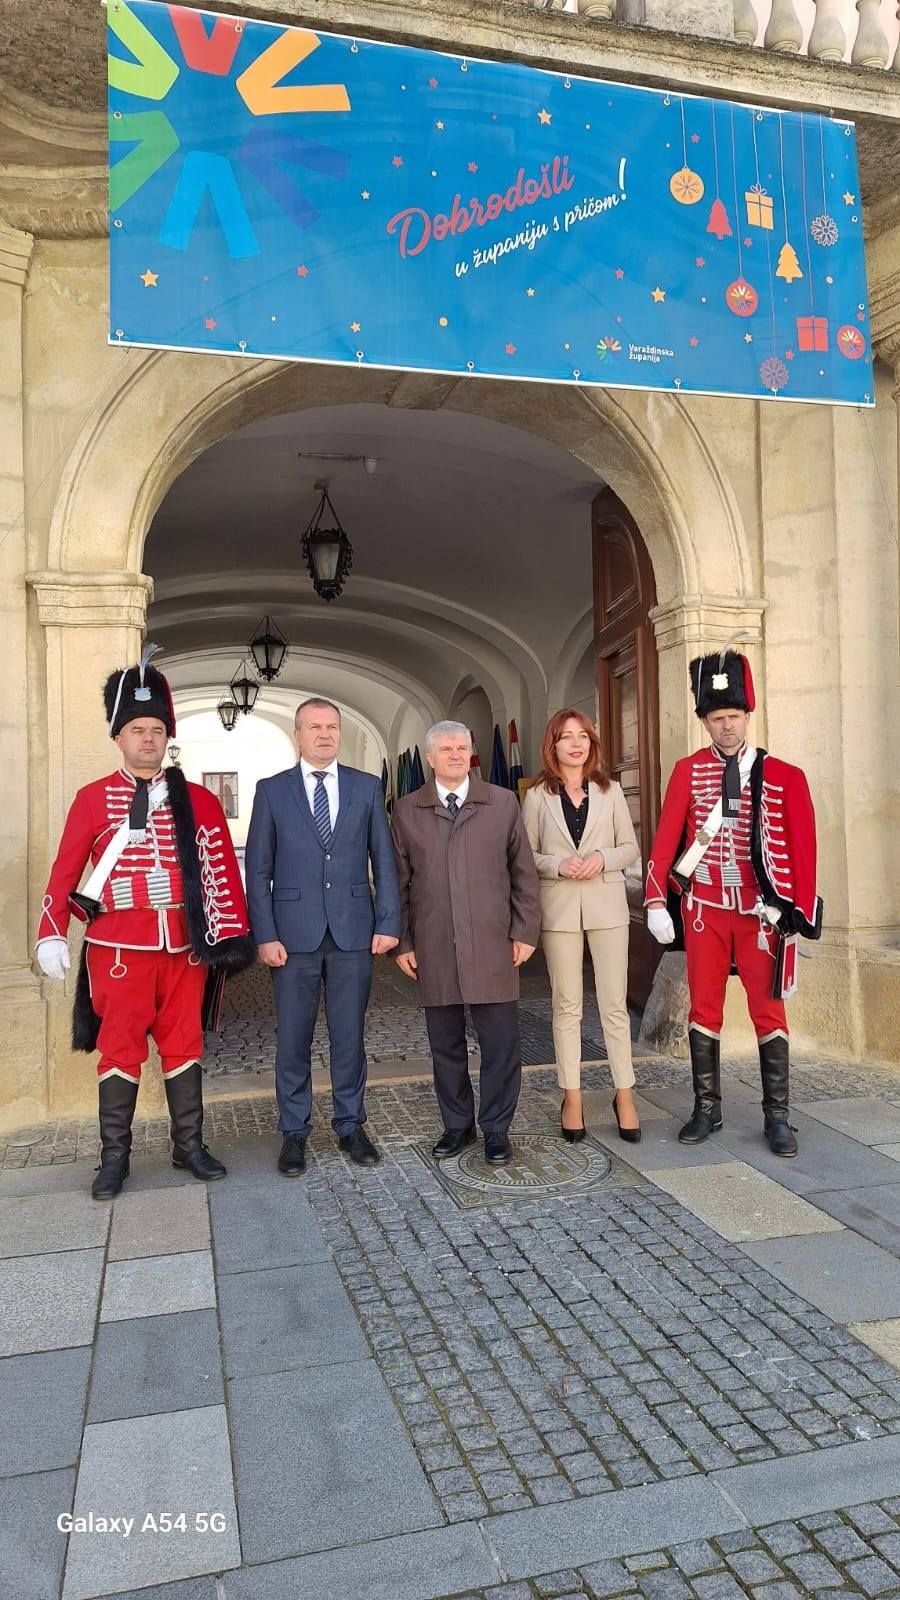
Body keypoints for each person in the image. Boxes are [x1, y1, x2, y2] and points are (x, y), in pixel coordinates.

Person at [35, 646, 254, 1199]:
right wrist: (51, 930)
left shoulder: (198, 800)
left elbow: (220, 871)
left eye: (156, 728)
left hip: (183, 950)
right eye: (137, 729)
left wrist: (225, 934)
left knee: (184, 1046)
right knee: (122, 1050)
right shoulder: (91, 799)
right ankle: (115, 1158)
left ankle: (189, 1146)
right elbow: (65, 870)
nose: (148, 739)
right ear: (119, 736)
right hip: (118, 950)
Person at [645, 646, 822, 1157]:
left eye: (735, 716)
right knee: (704, 1008)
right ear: (705, 720)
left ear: (749, 715)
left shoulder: (783, 775)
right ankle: (706, 1108)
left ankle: (778, 1116)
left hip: (759, 915)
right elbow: (666, 839)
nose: (727, 726)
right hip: (704, 911)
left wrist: (793, 909)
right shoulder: (686, 771)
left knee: (768, 1012)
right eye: (718, 717)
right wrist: (657, 899)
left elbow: (804, 847)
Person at [245, 698, 400, 1175]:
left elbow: (385, 860)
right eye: (315, 727)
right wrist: (264, 934)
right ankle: (294, 1133)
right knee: (293, 1039)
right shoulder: (271, 791)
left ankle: (351, 1126)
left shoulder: (366, 787)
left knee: (349, 1036)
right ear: (298, 735)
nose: (325, 735)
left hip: (353, 931)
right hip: (292, 938)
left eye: (332, 727)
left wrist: (388, 923)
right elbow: (258, 868)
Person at [391, 721, 541, 1165]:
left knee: (500, 1043)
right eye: (446, 749)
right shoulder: (406, 810)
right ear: (430, 758)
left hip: (494, 943)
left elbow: (524, 874)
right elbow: (397, 883)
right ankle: (457, 1126)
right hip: (434, 945)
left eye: (463, 748)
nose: (455, 755)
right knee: (446, 1045)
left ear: (472, 754)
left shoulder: (501, 803)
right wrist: (402, 941)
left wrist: (524, 931)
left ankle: (497, 1129)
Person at [523, 710, 641, 1144]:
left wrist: (602, 858)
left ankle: (624, 1093)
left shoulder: (610, 791)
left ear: (592, 743)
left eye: (583, 737)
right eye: (566, 737)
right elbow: (526, 855)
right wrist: (557, 864)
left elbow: (630, 847)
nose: (576, 744)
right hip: (559, 909)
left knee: (614, 1005)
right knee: (566, 1005)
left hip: (608, 906)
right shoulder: (537, 795)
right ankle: (571, 1096)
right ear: (552, 746)